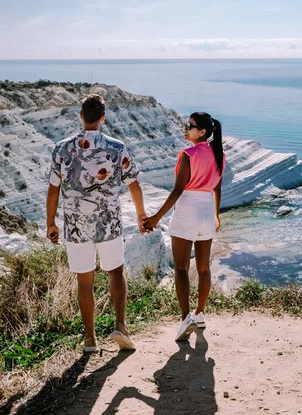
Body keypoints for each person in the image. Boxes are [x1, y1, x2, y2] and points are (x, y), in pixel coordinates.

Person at [46, 94, 147, 352]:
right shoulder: (116, 147)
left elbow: (53, 190)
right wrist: (141, 214)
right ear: (103, 117)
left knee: (85, 280)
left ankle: (90, 339)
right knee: (115, 272)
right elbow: (133, 184)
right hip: (109, 222)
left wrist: (51, 223)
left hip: (76, 225)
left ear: (81, 116)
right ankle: (120, 326)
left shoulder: (62, 148)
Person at [143, 112, 225, 341]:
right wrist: (217, 216)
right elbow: (217, 188)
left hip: (188, 209)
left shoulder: (188, 154)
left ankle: (185, 317)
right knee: (203, 267)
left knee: (180, 268)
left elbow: (178, 191)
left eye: (190, 126)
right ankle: (199, 314)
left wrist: (155, 218)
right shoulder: (220, 155)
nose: (185, 129)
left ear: (202, 132)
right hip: (207, 210)